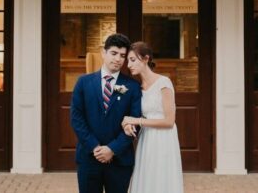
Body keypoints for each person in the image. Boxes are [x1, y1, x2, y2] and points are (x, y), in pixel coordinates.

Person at [71, 33, 142, 193]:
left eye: (122, 56)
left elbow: (136, 123)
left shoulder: (133, 86)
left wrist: (112, 149)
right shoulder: (83, 82)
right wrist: (95, 147)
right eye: (114, 53)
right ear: (104, 53)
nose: (118, 59)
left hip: (119, 160)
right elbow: (76, 118)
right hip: (89, 157)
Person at [122, 42, 184, 193]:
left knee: (161, 177)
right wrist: (128, 124)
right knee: (147, 176)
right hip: (147, 138)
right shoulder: (137, 87)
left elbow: (169, 121)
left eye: (132, 60)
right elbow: (137, 114)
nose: (129, 65)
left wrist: (136, 121)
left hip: (164, 139)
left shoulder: (163, 83)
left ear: (145, 59)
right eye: (128, 60)